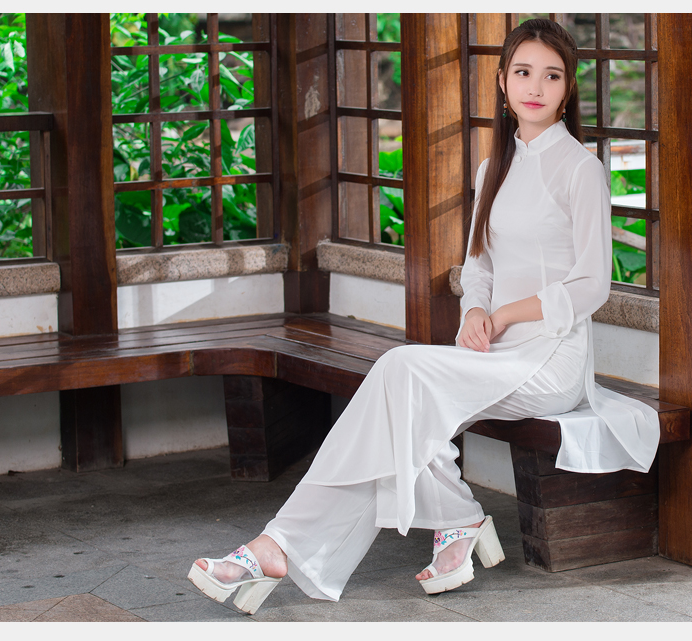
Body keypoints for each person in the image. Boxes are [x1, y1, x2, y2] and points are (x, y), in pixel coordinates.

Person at [187, 18, 660, 615]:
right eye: (523, 72)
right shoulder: (494, 168)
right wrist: (476, 310)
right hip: (493, 353)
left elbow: (592, 285)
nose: (535, 87)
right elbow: (478, 266)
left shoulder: (580, 169)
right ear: (502, 81)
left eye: (551, 76)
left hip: (551, 359)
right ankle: (394, 528)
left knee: (400, 371)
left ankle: (296, 543)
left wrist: (504, 315)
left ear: (568, 90)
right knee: (401, 395)